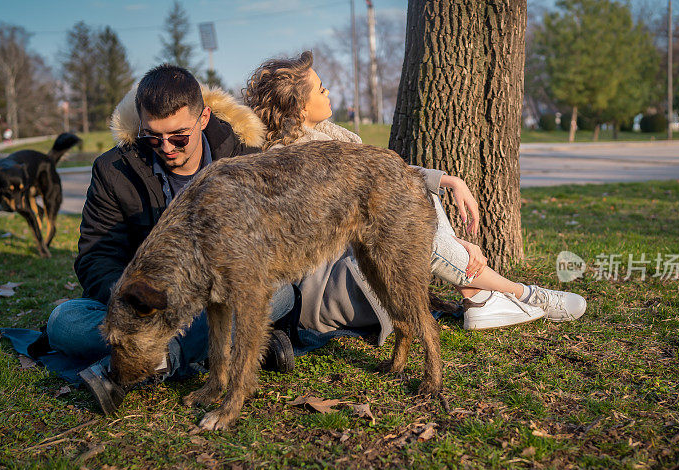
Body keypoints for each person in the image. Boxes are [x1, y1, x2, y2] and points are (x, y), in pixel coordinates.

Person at [243, 51, 587, 335]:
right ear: (302, 108)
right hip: (332, 289)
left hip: (360, 262)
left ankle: (477, 299)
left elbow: (387, 181)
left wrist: (446, 180)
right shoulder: (297, 160)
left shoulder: (325, 139)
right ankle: (520, 294)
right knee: (403, 218)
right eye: (321, 89)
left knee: (418, 196)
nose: (328, 92)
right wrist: (456, 242)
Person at [45, 65, 297, 414]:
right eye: (152, 137)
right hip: (146, 307)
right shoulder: (113, 169)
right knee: (64, 322)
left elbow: (272, 245)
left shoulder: (244, 158)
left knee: (279, 292)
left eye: (178, 137)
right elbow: (95, 254)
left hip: (228, 292)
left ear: (204, 117)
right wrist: (135, 299)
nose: (165, 148)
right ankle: (228, 351)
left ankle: (148, 365)